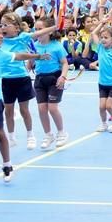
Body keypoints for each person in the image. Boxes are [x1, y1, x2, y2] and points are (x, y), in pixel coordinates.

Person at [0, 22, 49, 182]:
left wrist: (37, 56)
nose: (1, 36)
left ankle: (7, 164)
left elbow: (19, 56)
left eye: (1, 33)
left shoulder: (1, 54)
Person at [0, 13, 57, 150]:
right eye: (1, 25)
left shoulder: (22, 38)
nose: (3, 28)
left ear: (17, 28)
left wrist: (54, 27)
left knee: (24, 110)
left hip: (21, 78)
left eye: (6, 25)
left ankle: (30, 136)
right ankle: (11, 137)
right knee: (8, 111)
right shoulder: (0, 40)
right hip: (6, 80)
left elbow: (38, 33)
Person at [32, 17, 70, 150]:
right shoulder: (34, 46)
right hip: (39, 79)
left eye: (40, 29)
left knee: (52, 108)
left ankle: (61, 133)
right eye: (35, 29)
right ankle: (48, 135)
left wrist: (63, 77)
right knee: (42, 109)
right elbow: (30, 63)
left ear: (48, 31)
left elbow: (65, 63)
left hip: (54, 79)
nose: (37, 32)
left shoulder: (56, 46)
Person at [91, 17, 112, 133]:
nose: (103, 40)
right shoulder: (100, 47)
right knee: (101, 106)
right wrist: (102, 23)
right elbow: (93, 33)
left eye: (106, 38)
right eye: (102, 38)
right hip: (103, 82)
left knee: (109, 106)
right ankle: (104, 124)